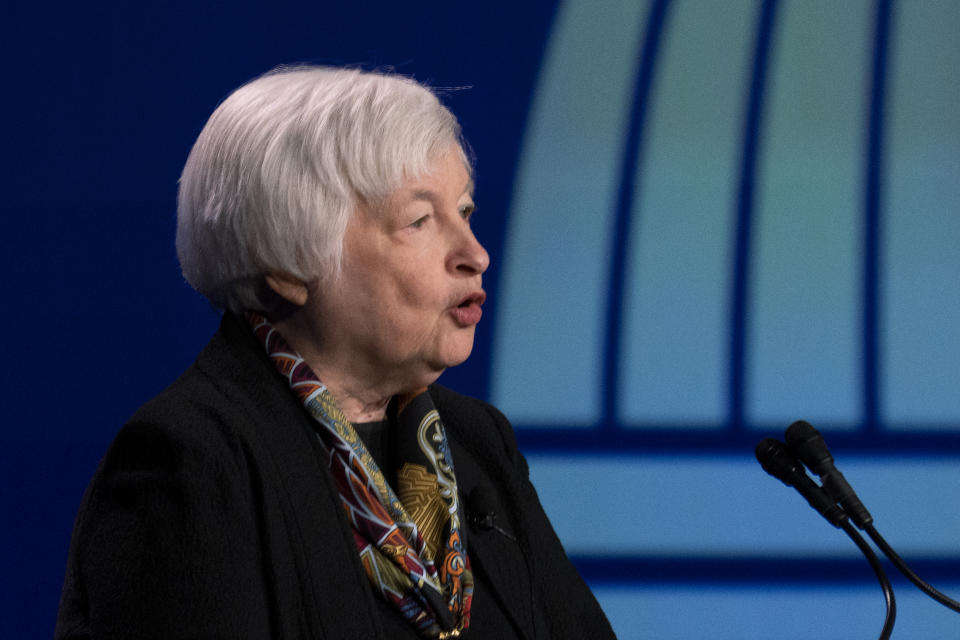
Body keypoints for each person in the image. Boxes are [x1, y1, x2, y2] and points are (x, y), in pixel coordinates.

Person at [55, 65, 616, 639]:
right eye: (420, 220)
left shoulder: (478, 442)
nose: (475, 254)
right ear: (287, 263)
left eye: (466, 211)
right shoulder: (192, 463)